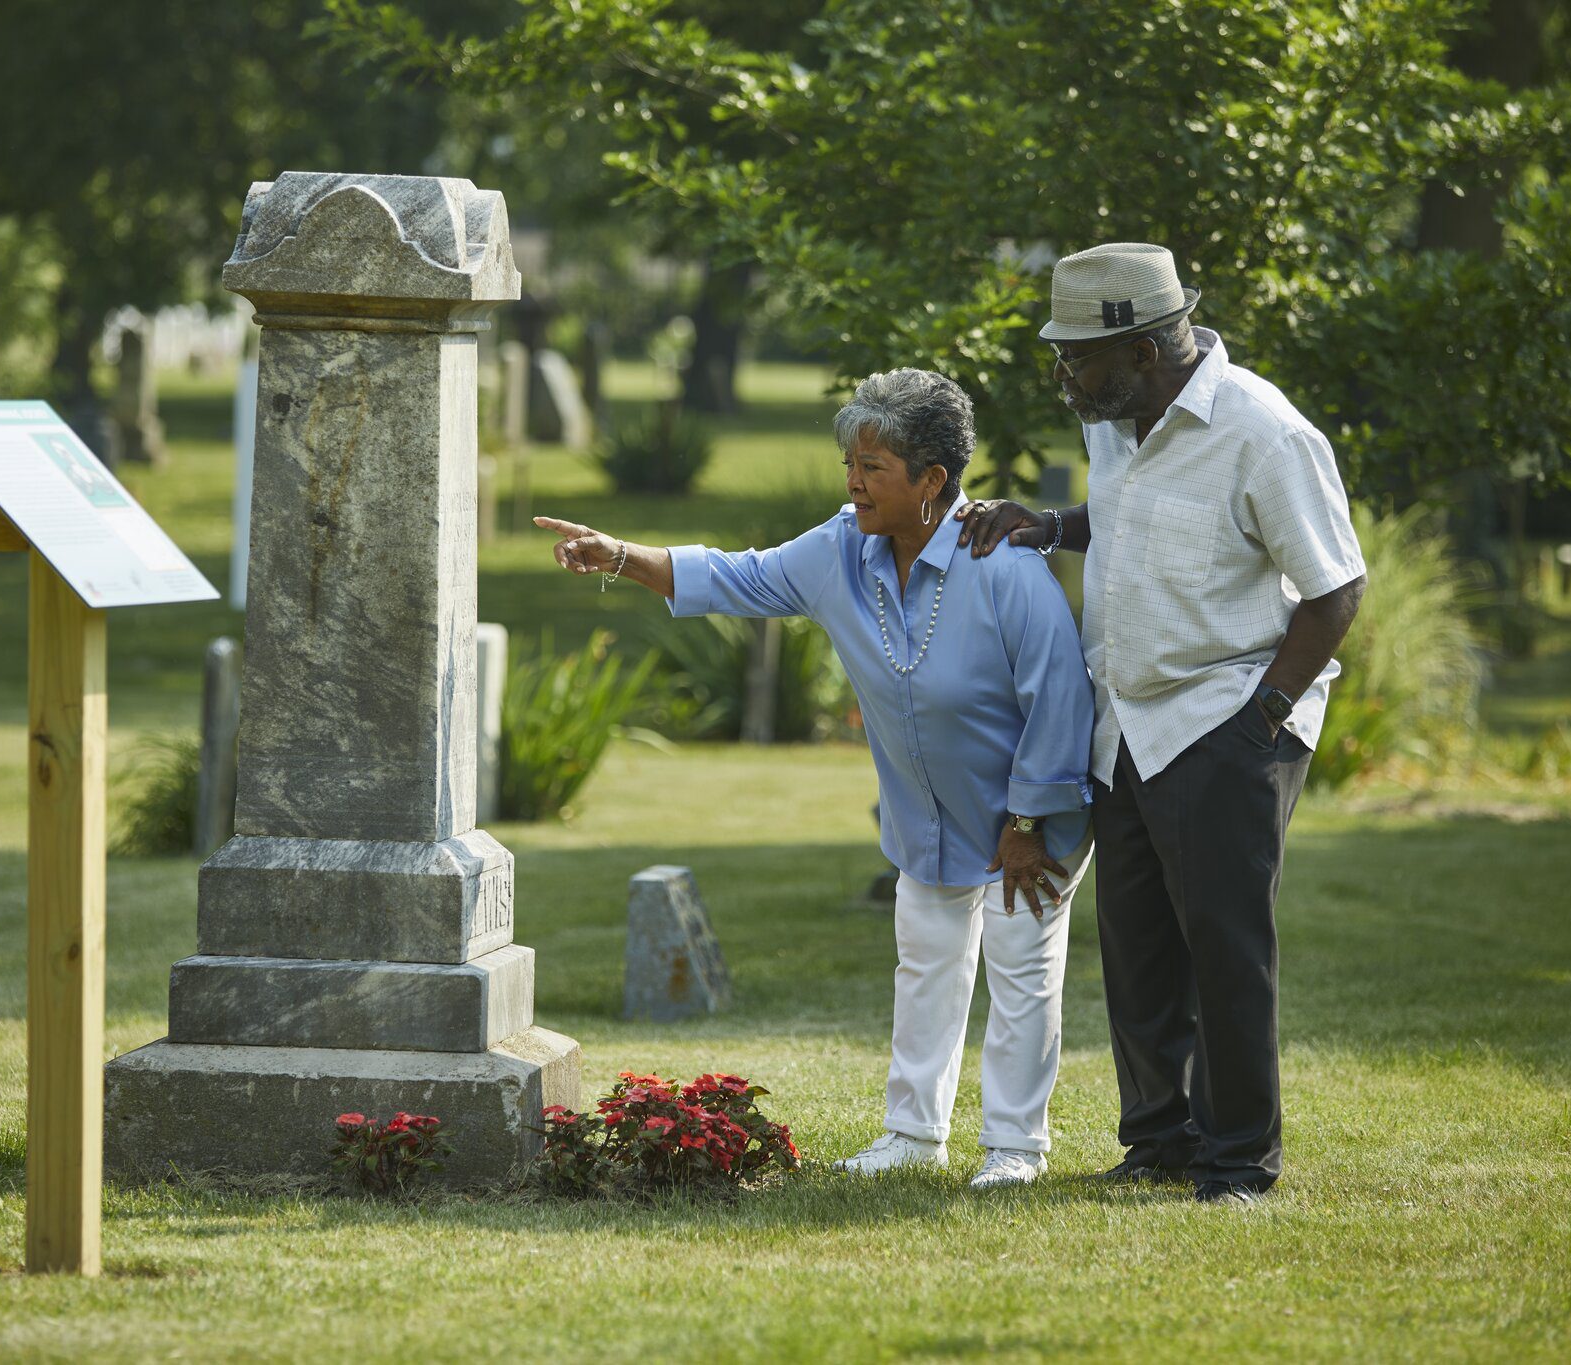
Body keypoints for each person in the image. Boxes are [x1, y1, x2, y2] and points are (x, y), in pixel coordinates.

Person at [535, 368, 1094, 1191]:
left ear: (932, 480)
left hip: (1030, 818)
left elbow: (1060, 699)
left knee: (1020, 966)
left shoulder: (1005, 567)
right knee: (927, 960)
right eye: (850, 462)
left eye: (873, 466)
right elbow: (737, 576)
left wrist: (1027, 824)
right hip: (929, 814)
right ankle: (912, 1134)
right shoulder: (841, 549)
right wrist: (620, 555)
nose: (853, 481)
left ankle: (1014, 1146)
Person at [956, 242, 1367, 1205]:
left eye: (1077, 359)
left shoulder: (1264, 432)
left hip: (1225, 720)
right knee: (1138, 948)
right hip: (1125, 723)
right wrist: (1051, 526)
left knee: (1224, 948)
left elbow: (1336, 588)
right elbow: (1132, 519)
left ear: (1144, 349)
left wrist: (1263, 717)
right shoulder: (1119, 418)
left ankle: (1238, 1165)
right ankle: (1159, 1140)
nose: (1064, 377)